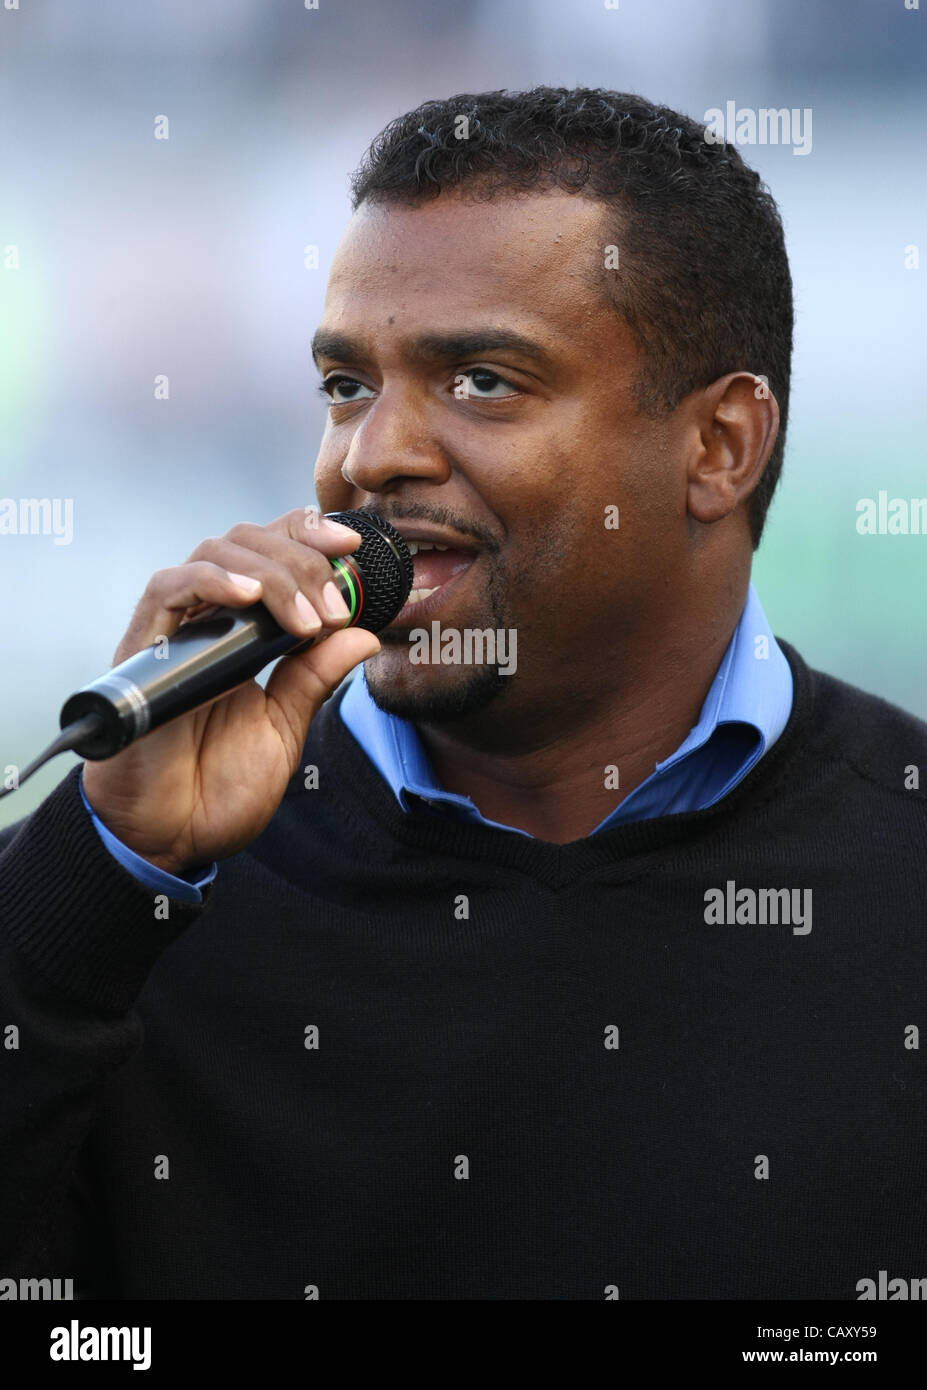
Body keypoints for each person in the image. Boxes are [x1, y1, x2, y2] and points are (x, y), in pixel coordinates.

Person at [2, 87, 925, 1301]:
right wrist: (97, 873)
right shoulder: (134, 885)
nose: (371, 454)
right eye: (346, 383)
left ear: (720, 447)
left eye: (482, 381)